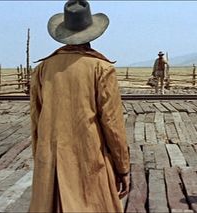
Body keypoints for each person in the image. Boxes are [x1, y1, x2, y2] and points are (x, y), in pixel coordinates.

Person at [29, 0, 130, 212]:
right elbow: (112, 124)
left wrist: (42, 162)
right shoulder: (101, 68)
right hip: (89, 159)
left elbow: (36, 120)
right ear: (93, 34)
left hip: (51, 163)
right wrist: (122, 167)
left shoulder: (43, 69)